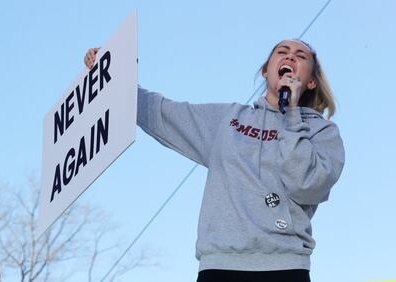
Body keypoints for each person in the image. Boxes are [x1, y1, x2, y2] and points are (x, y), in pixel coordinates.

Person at [84, 39, 345, 282]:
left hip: (286, 266)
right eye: (282, 52)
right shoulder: (227, 120)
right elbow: (161, 113)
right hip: (219, 265)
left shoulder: (320, 132)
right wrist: (114, 78)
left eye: (300, 56)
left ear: (310, 81)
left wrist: (290, 117)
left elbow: (306, 184)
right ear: (266, 70)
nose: (290, 56)